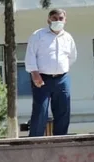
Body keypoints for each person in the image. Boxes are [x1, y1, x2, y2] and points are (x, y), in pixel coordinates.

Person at [26, 9, 77, 137]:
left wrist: (60, 69)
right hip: (42, 78)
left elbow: (72, 57)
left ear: (65, 20)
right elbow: (30, 55)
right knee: (40, 111)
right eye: (54, 18)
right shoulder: (38, 35)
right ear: (48, 20)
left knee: (63, 111)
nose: (57, 21)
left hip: (62, 79)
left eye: (60, 18)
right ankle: (35, 141)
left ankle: (60, 141)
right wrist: (35, 73)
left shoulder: (68, 37)